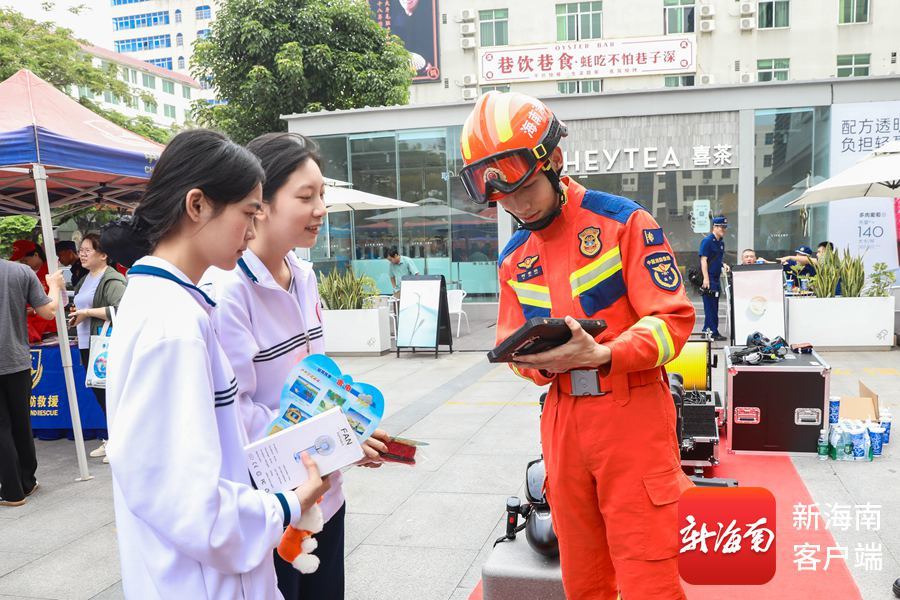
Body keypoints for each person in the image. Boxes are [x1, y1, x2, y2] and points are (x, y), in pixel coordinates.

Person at [458, 92, 695, 599]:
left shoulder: (625, 223)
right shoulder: (514, 258)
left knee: (648, 572)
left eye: (524, 188)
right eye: (502, 197)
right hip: (562, 421)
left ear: (554, 161)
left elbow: (672, 319)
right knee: (583, 577)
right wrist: (539, 364)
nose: (516, 204)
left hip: (632, 416)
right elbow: (508, 341)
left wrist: (606, 353)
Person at [100, 129, 330, 599]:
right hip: (202, 581)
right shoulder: (173, 325)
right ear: (198, 205)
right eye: (248, 212)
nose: (252, 228)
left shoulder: (174, 305)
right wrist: (286, 505)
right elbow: (186, 499)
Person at [204, 132, 391, 600]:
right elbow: (239, 414)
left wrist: (347, 430)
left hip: (326, 493)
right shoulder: (228, 292)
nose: (320, 209)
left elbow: (316, 381)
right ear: (259, 205)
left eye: (322, 194)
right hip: (276, 501)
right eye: (306, 196)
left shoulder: (304, 275)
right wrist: (333, 442)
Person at [0, 256, 65, 506]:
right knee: (21, 423)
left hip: (14, 360)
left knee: (2, 427)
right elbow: (48, 311)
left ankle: (12, 491)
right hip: (17, 360)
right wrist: (55, 287)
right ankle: (27, 481)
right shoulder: (21, 271)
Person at [69, 233, 127, 463]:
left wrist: (87, 313)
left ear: (103, 255)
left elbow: (120, 310)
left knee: (110, 394)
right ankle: (113, 438)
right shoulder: (84, 279)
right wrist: (77, 316)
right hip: (87, 344)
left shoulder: (112, 279)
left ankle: (120, 441)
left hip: (105, 345)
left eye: (87, 250)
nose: (81, 254)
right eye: (80, 250)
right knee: (100, 392)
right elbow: (82, 308)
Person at [10, 240, 56, 342]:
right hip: (29, 330)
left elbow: (60, 300)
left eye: (25, 261)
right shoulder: (23, 273)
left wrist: (35, 310)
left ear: (36, 255)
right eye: (21, 262)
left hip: (49, 329)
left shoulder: (52, 270)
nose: (23, 264)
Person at [698, 216, 729, 341]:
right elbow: (703, 260)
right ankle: (712, 332)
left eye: (725, 227)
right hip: (709, 278)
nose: (723, 229)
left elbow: (716, 259)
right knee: (710, 305)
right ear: (714, 227)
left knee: (714, 305)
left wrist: (723, 264)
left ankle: (708, 330)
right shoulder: (707, 241)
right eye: (721, 227)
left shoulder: (720, 242)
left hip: (716, 278)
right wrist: (706, 279)